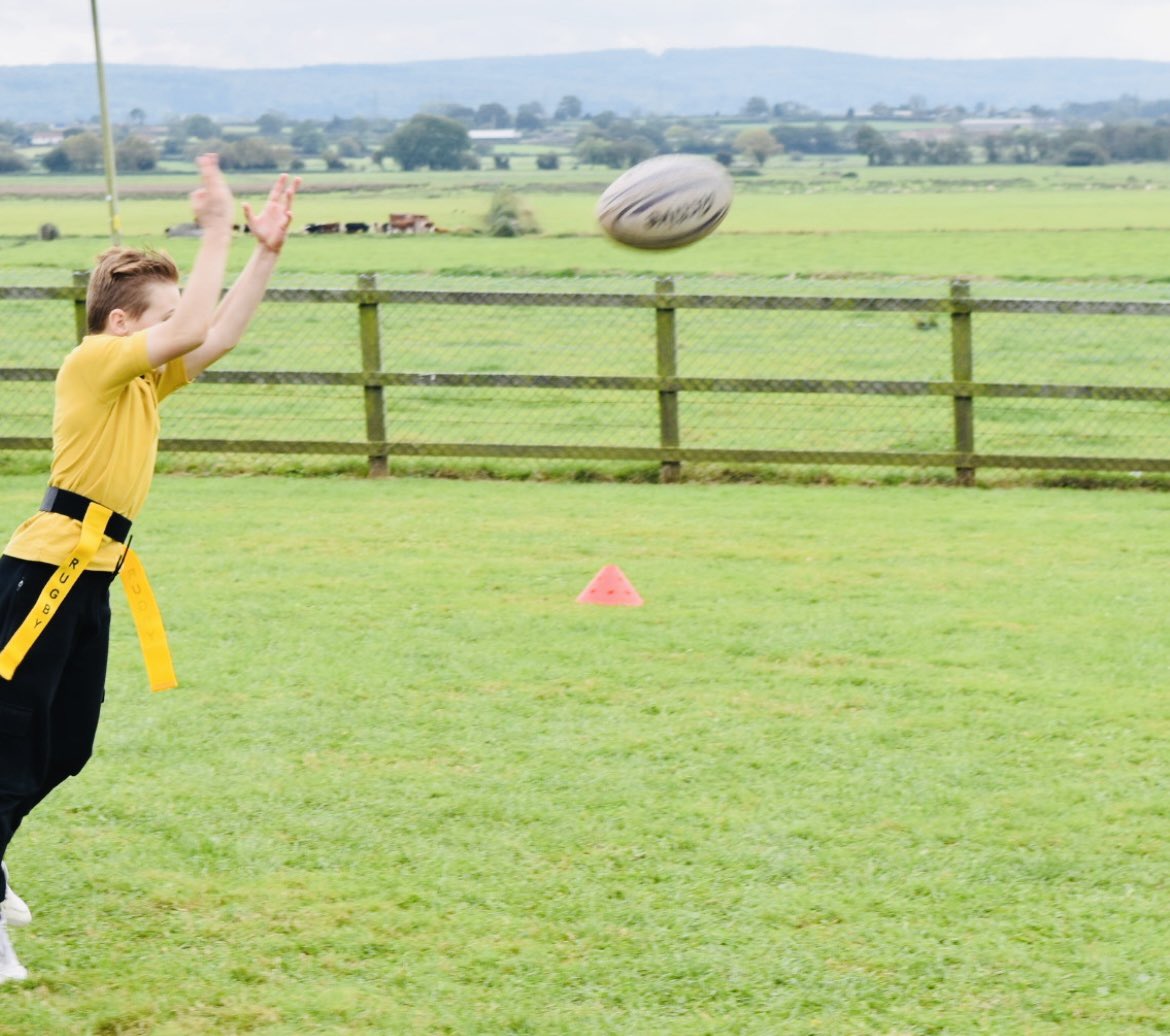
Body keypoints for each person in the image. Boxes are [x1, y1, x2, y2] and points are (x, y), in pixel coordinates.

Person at [0, 155, 299, 982]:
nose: (183, 325)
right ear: (127, 323)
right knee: (10, 745)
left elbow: (220, 331)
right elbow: (198, 325)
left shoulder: (140, 381)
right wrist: (212, 231)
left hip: (92, 578)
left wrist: (262, 249)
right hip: (43, 575)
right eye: (167, 314)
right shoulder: (92, 361)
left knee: (64, 748)